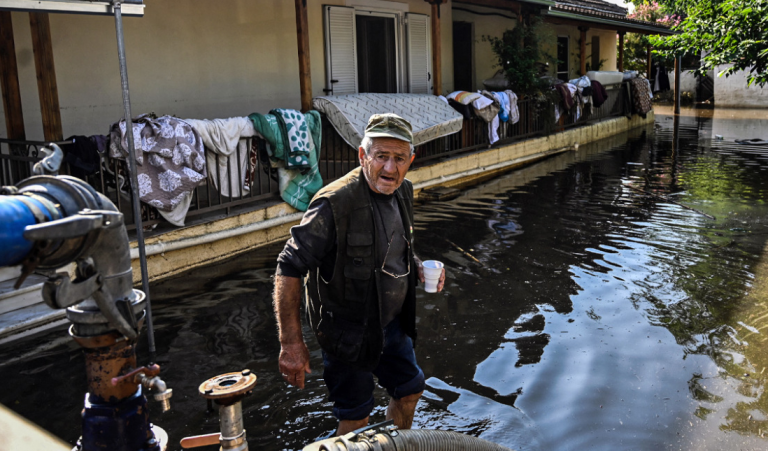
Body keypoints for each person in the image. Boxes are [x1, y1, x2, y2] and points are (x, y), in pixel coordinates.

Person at [273, 113, 446, 436]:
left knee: (410, 391)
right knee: (356, 419)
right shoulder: (334, 203)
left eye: (399, 158)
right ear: (362, 155)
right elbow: (289, 265)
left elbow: (399, 244)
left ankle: (395, 445)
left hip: (392, 325)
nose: (390, 169)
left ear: (412, 159)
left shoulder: (404, 191)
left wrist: (418, 264)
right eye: (381, 157)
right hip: (348, 332)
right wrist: (291, 344)